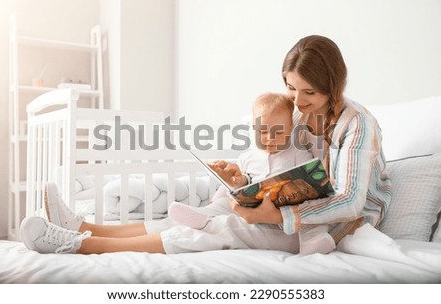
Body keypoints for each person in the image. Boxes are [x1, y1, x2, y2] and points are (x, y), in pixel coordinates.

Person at [19, 34, 392, 255]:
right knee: (210, 209)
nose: (298, 101)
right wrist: (239, 175)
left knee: (220, 229)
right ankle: (84, 225)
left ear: (334, 85)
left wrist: (277, 216)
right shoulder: (298, 116)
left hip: (337, 227)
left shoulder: (357, 124)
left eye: (309, 92)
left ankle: (80, 246)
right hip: (290, 211)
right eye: (291, 88)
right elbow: (278, 165)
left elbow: (349, 201)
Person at [168, 92, 336, 255]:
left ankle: (314, 241)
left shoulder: (297, 153)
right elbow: (241, 182)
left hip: (286, 209)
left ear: (290, 128)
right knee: (226, 198)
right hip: (254, 206)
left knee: (311, 210)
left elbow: (311, 173)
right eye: (263, 132)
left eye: (277, 132)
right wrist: (236, 183)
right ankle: (203, 216)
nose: (270, 138)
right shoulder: (247, 157)